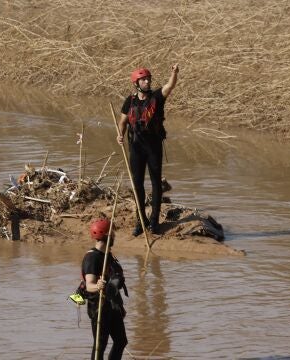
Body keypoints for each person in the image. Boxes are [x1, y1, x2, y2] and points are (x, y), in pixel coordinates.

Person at [117, 64, 179, 236]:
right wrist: (120, 135)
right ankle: (141, 220)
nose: (147, 81)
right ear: (136, 83)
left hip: (153, 148)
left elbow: (170, 86)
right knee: (137, 185)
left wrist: (174, 73)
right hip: (136, 149)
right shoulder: (129, 101)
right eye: (143, 79)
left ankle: (154, 222)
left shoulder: (157, 98)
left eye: (148, 79)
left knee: (156, 183)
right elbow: (122, 122)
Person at [82, 218, 128, 360]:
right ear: (106, 235)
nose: (114, 235)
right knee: (100, 345)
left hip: (112, 306)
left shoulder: (109, 255)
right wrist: (98, 286)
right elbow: (89, 284)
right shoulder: (92, 257)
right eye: (112, 233)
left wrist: (120, 306)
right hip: (99, 307)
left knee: (121, 341)